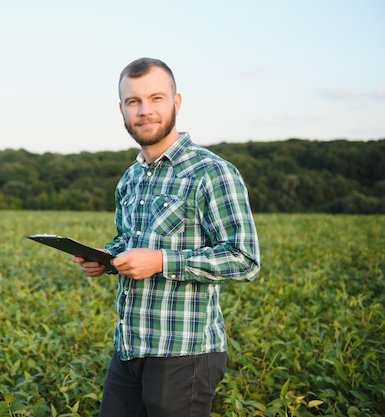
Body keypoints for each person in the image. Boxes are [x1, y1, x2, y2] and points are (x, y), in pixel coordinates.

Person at [72, 57, 260, 417]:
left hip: (183, 354)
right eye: (133, 101)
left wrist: (160, 261)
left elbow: (244, 259)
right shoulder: (131, 178)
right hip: (129, 347)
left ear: (176, 102)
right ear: (122, 110)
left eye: (156, 98)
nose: (145, 110)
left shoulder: (212, 172)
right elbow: (127, 241)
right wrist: (106, 260)